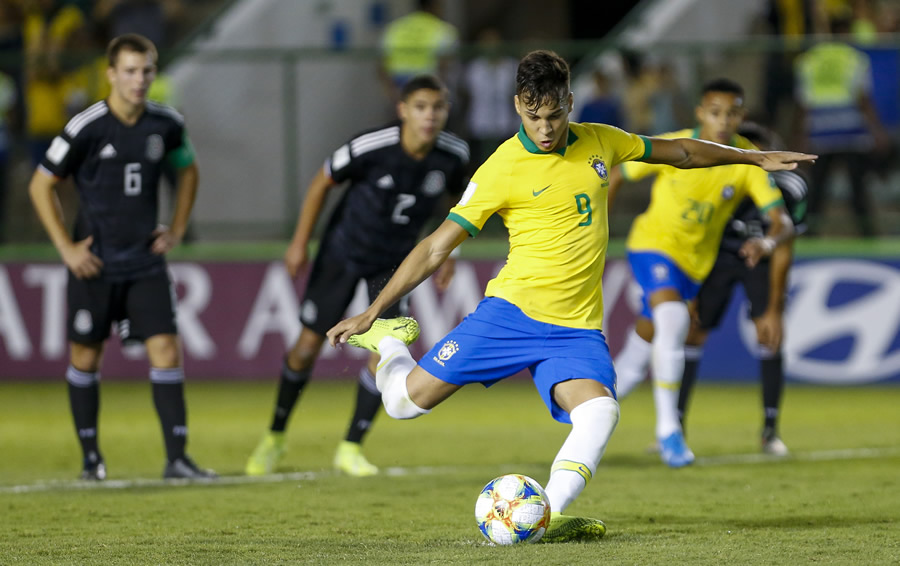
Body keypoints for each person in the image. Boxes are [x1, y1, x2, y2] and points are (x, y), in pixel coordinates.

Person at [326, 51, 813, 541]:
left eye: (555, 115)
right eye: (534, 117)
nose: (545, 128)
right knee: (402, 405)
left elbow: (682, 152)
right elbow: (435, 247)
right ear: (518, 106)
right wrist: (375, 311)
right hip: (510, 315)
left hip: (575, 329)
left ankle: (544, 516)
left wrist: (751, 157)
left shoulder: (601, 140)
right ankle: (391, 342)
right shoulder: (502, 168)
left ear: (570, 103)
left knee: (601, 410)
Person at [245, 75, 469, 478]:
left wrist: (449, 250)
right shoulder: (372, 146)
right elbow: (321, 183)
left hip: (393, 265)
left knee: (386, 349)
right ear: (403, 110)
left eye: (437, 108)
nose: (429, 116)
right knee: (307, 348)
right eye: (420, 107)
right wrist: (300, 242)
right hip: (342, 254)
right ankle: (275, 436)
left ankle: (351, 447)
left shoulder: (453, 154)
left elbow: (456, 200)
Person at [28, 33, 214, 480]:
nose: (139, 80)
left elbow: (188, 171)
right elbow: (41, 185)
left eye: (147, 70)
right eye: (130, 71)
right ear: (111, 74)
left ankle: (177, 459)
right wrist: (66, 249)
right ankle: (91, 462)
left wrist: (178, 228)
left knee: (167, 350)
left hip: (145, 261)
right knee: (86, 358)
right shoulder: (85, 126)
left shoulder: (166, 124)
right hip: (96, 263)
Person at [609, 78, 797, 468]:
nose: (723, 121)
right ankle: (669, 432)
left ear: (742, 116)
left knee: (644, 342)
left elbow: (781, 221)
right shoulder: (676, 145)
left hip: (695, 266)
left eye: (732, 113)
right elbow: (616, 175)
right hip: (651, 245)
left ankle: (602, 397)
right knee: (674, 318)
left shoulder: (748, 160)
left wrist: (766, 242)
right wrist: (595, 227)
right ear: (700, 113)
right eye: (715, 112)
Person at [676, 123, 809, 456]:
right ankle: (673, 427)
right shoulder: (714, 177)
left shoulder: (790, 187)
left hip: (763, 260)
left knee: (770, 333)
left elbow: (784, 246)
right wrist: (687, 290)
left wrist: (775, 308)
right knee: (692, 332)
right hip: (716, 256)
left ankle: (769, 430)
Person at [794, 14, 889, 236]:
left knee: (818, 187)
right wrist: (877, 131)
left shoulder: (810, 59)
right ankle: (868, 236)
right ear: (847, 32)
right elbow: (863, 99)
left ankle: (807, 235)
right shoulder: (855, 58)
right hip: (849, 130)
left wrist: (800, 136)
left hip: (820, 131)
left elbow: (802, 103)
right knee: (857, 186)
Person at [378, 0, 459, 103]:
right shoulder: (444, 30)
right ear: (435, 5)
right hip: (430, 88)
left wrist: (392, 93)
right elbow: (444, 66)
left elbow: (381, 66)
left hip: (400, 89)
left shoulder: (394, 28)